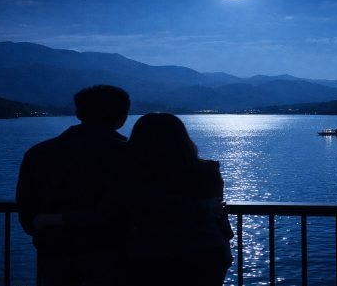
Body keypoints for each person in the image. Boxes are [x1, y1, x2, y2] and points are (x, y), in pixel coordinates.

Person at [16, 85, 131, 286]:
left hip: (55, 255)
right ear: (122, 116)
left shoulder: (39, 153)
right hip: (115, 256)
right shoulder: (130, 155)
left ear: (79, 113)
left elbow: (27, 214)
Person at [120, 113, 234, 285]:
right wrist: (225, 243)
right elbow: (217, 212)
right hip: (205, 250)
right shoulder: (205, 172)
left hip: (149, 252)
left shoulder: (129, 174)